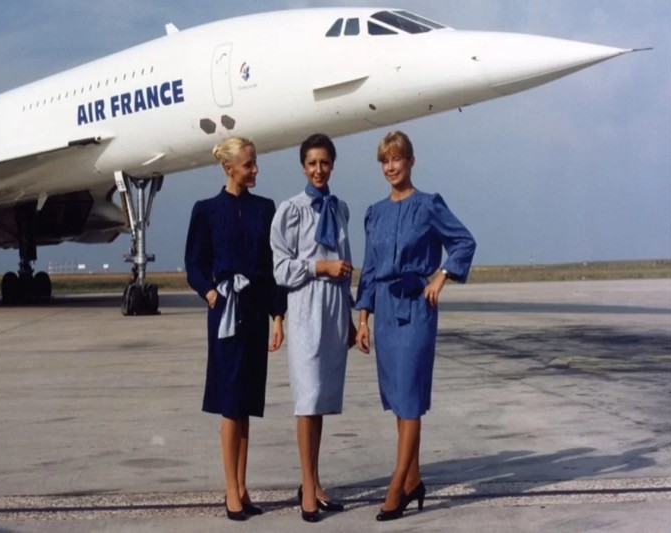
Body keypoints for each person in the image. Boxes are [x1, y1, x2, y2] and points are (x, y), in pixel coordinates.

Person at [355, 130, 475, 522]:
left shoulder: (428, 205)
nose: (391, 167)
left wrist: (442, 276)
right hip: (385, 313)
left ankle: (396, 487)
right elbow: (370, 270)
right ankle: (414, 480)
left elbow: (463, 243)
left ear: (411, 161)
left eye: (397, 159)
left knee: (410, 400)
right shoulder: (374, 212)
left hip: (417, 308)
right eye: (385, 161)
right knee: (399, 402)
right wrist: (363, 319)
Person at [185, 136, 286, 522]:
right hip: (225, 311)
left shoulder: (265, 209)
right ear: (230, 169)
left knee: (246, 404)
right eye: (248, 165)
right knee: (230, 404)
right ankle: (230, 489)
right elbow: (194, 261)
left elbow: (274, 267)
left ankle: (243, 488)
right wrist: (209, 292)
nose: (255, 169)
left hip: (256, 310)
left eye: (255, 162)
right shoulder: (206, 210)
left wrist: (278, 316)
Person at [270, 133, 353, 523]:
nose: (318, 170)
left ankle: (314, 482)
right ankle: (305, 487)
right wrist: (321, 267)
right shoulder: (290, 211)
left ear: (332, 164)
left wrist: (352, 317)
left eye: (325, 162)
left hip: (335, 308)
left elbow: (347, 263)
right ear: (303, 166)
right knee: (306, 399)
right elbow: (282, 269)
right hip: (305, 307)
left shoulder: (340, 209)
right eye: (312, 163)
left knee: (320, 400)